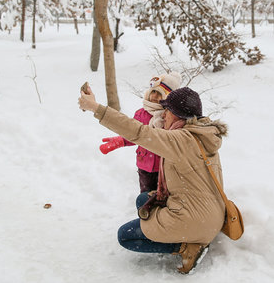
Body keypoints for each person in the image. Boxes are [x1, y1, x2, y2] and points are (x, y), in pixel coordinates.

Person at [79, 85, 228, 274]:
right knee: (143, 200)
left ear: (178, 115)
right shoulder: (201, 135)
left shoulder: (181, 140)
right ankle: (190, 235)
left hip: (196, 220)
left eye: (167, 111)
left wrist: (95, 107)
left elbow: (139, 132)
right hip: (210, 215)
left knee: (125, 236)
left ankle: (188, 247)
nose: (163, 115)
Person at [99, 72, 182, 193]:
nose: (154, 96)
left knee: (163, 196)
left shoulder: (168, 116)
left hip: (163, 167)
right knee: (146, 195)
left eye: (160, 94)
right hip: (144, 166)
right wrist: (120, 141)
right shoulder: (140, 114)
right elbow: (133, 133)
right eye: (153, 91)